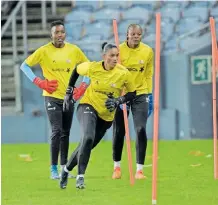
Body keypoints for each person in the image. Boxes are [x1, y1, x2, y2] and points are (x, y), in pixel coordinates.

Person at [74, 24, 154, 180]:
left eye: (139, 34)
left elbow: (148, 74)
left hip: (140, 93)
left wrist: (149, 95)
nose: (136, 36)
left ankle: (139, 170)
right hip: (121, 95)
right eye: (133, 34)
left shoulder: (148, 51)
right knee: (119, 131)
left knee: (140, 129)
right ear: (127, 35)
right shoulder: (118, 51)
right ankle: (116, 166)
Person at [60, 42, 136, 189]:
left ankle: (66, 170)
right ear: (104, 56)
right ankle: (80, 177)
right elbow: (76, 70)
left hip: (106, 117)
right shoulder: (92, 67)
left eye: (117, 56)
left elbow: (132, 93)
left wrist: (118, 101)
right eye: (111, 56)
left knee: (87, 145)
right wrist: (69, 91)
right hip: (88, 106)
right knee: (87, 137)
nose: (115, 59)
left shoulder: (123, 73)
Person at [20, 20, 89, 179]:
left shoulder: (74, 50)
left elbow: (89, 68)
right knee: (56, 131)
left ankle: (64, 168)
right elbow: (24, 66)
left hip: (68, 98)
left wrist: (83, 86)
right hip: (51, 97)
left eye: (62, 32)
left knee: (65, 132)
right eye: (56, 32)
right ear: (51, 35)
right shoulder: (43, 51)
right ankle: (53, 169)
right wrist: (39, 82)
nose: (60, 35)